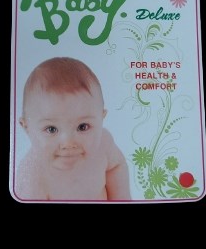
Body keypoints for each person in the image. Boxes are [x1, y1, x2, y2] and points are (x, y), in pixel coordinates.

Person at [15, 57, 131, 201]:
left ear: (101, 118)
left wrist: (121, 198)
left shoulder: (104, 143)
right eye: (51, 129)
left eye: (82, 127)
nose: (68, 143)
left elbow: (116, 166)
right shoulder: (32, 177)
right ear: (26, 127)